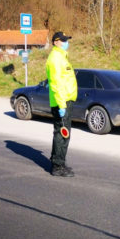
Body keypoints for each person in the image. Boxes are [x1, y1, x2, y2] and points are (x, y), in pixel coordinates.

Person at [46, 31, 78, 177]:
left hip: (66, 100)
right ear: (56, 42)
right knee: (62, 134)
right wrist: (62, 105)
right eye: (63, 40)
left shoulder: (62, 57)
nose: (66, 42)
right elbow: (56, 84)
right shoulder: (55, 59)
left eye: (67, 40)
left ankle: (58, 161)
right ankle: (58, 167)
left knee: (63, 133)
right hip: (62, 102)